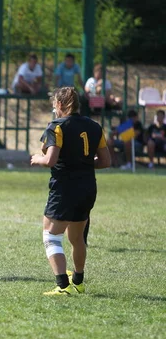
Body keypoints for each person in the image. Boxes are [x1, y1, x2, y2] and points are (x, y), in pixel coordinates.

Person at [30, 87, 111, 295]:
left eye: (54, 105)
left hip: (65, 188)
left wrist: (37, 159)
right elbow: (106, 161)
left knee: (51, 236)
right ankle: (78, 280)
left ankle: (63, 286)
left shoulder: (57, 126)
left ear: (59, 104)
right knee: (77, 238)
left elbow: (50, 160)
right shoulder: (94, 126)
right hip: (87, 187)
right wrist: (82, 163)